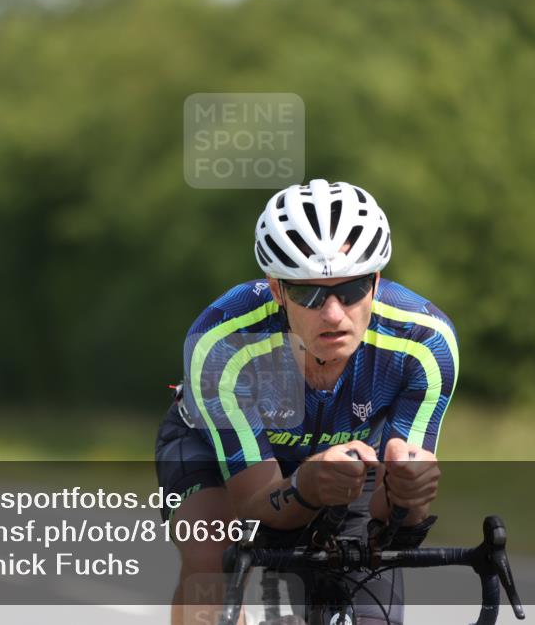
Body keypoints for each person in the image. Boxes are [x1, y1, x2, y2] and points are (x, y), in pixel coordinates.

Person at [155, 179, 460, 625]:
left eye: (352, 290)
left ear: (375, 282)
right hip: (213, 447)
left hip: (345, 460)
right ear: (277, 290)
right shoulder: (222, 339)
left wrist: (408, 497)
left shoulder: (424, 342)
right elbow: (252, 506)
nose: (334, 313)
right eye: (309, 293)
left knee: (364, 583)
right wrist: (306, 487)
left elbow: (389, 529)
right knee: (213, 557)